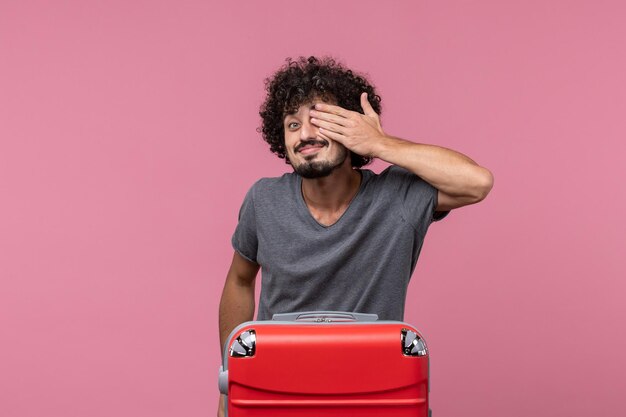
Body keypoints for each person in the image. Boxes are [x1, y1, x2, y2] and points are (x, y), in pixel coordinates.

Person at [217, 56, 493, 416]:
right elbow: (239, 280)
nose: (305, 135)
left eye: (322, 120)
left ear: (353, 127)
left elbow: (478, 183)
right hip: (278, 390)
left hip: (373, 392)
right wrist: (232, 378)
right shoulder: (264, 199)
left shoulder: (397, 196)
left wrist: (380, 143)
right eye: (293, 124)